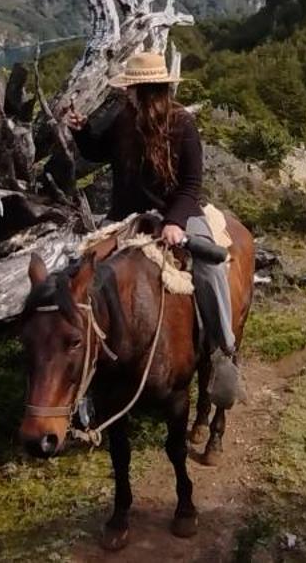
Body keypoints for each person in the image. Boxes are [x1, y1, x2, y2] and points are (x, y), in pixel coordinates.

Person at [65, 51, 241, 407]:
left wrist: (175, 222)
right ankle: (83, 362)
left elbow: (192, 183)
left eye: (131, 89)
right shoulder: (123, 120)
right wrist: (82, 132)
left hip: (177, 214)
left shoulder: (183, 124)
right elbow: (99, 152)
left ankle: (223, 348)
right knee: (82, 268)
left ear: (144, 91)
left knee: (209, 267)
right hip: (128, 217)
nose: (127, 94)